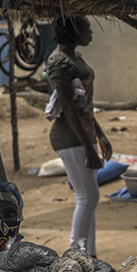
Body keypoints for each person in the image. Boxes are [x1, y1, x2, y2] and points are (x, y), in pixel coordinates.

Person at [46, 16, 111, 256]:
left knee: (89, 199)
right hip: (70, 137)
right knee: (87, 197)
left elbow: (83, 105)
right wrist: (88, 147)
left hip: (83, 135)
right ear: (74, 32)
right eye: (87, 29)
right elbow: (68, 107)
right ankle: (76, 255)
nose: (91, 33)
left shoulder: (75, 57)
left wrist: (100, 136)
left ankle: (89, 256)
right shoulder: (58, 62)